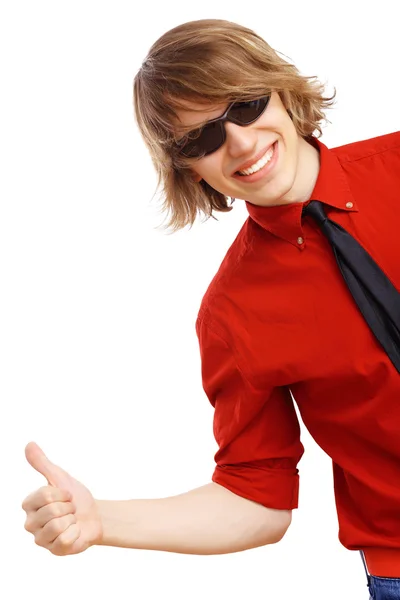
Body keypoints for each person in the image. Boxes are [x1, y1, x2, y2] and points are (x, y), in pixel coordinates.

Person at [21, 19, 400, 600]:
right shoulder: (233, 311)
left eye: (246, 105)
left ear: (280, 88)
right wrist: (102, 521)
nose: (242, 144)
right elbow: (258, 499)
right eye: (203, 139)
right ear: (188, 169)